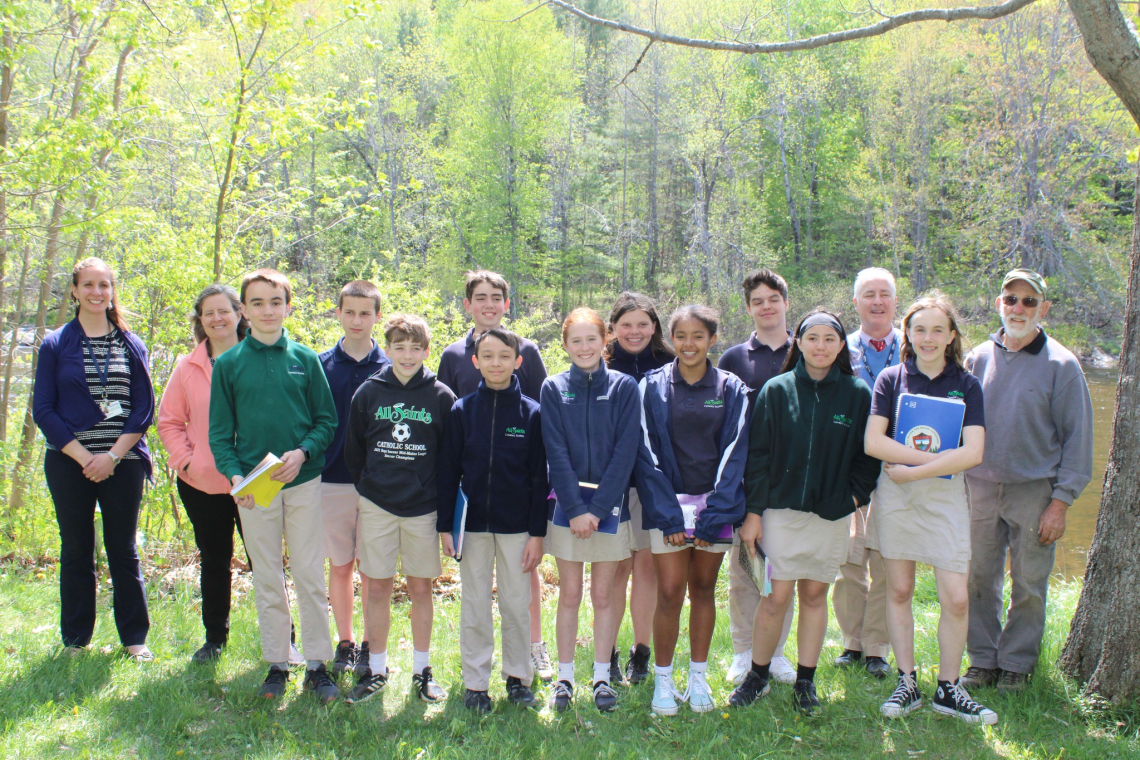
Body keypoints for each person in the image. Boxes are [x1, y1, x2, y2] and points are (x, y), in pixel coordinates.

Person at [729, 310, 880, 715]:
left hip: (831, 515)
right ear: (798, 342)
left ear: (841, 345)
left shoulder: (857, 393)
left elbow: (868, 462)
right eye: (812, 338)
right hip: (779, 512)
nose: (820, 346)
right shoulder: (776, 390)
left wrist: (849, 502)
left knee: (815, 594)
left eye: (830, 339)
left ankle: (805, 682)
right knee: (775, 596)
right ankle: (757, 675)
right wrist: (754, 513)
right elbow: (757, 457)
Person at [864, 293, 997, 725]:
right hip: (898, 496)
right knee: (899, 591)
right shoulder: (890, 379)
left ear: (952, 335)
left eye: (938, 329)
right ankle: (907, 681)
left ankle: (948, 687)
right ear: (908, 334)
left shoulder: (967, 384)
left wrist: (916, 467)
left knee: (956, 599)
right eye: (919, 329)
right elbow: (873, 443)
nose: (928, 337)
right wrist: (932, 462)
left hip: (942, 498)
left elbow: (973, 452)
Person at [208, 268, 340, 703]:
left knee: (307, 572)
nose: (268, 310)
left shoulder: (305, 359)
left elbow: (326, 421)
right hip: (253, 489)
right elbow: (220, 435)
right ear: (244, 310)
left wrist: (303, 451)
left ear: (288, 307)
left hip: (302, 481)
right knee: (267, 575)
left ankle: (318, 665)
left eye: (276, 302)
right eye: (258, 303)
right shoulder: (228, 364)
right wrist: (234, 479)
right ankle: (278, 663)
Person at [961, 269, 1093, 693]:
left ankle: (1017, 664)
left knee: (1029, 584)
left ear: (1044, 309)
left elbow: (1078, 441)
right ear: (999, 304)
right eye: (1011, 299)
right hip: (978, 486)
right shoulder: (977, 357)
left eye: (1029, 301)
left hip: (1035, 491)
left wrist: (1061, 502)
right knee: (978, 578)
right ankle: (982, 660)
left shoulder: (1062, 364)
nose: (1018, 308)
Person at [33, 257, 155, 662]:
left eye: (104, 285)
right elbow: (43, 410)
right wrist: (86, 457)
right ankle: (76, 641)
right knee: (76, 548)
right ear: (74, 290)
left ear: (112, 291)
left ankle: (134, 639)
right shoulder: (55, 344)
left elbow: (143, 408)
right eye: (88, 284)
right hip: (69, 462)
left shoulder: (131, 344)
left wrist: (113, 456)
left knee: (123, 548)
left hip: (123, 463)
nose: (96, 292)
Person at [436, 270, 553, 681]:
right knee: (474, 605)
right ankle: (475, 681)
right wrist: (444, 524)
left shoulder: (532, 414)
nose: (496, 363)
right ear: (475, 361)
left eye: (505, 357)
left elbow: (540, 473)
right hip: (473, 521)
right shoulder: (460, 408)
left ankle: (519, 676)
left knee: (516, 603)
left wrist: (537, 530)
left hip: (517, 521)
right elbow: (448, 466)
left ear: (517, 361)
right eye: (488, 357)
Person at [635, 305, 749, 717]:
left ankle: (697, 677)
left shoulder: (731, 389)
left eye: (698, 336)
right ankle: (663, 680)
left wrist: (714, 515)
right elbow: (644, 453)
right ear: (671, 339)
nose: (689, 344)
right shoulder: (651, 386)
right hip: (667, 509)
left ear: (712, 339)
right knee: (668, 592)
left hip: (713, 510)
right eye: (681, 336)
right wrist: (667, 514)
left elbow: (736, 453)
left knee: (702, 589)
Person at [343, 313, 455, 704]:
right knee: (377, 586)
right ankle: (375, 669)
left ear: (427, 351)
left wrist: (439, 507)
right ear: (386, 349)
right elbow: (353, 451)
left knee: (421, 587)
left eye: (415, 348)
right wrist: (372, 487)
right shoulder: (370, 393)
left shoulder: (441, 396)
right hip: (378, 505)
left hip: (422, 508)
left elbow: (449, 459)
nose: (407, 355)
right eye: (399, 347)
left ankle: (422, 670)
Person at [541, 308, 642, 713]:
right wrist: (576, 508)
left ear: (606, 341)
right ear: (565, 345)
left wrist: (598, 509)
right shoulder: (553, 387)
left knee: (603, 595)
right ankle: (564, 679)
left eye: (591, 339)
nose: (584, 348)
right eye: (575, 341)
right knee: (569, 595)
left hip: (609, 510)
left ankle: (601, 676)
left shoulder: (623, 387)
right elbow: (555, 452)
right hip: (567, 507)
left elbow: (625, 452)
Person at [158, 284, 252, 663]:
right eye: (208, 313)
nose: (216, 319)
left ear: (239, 313)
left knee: (264, 561)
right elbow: (169, 422)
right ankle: (215, 639)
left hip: (253, 481)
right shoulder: (188, 366)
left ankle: (285, 638)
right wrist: (187, 461)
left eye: (223, 311)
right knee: (215, 559)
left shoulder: (258, 359)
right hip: (202, 483)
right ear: (200, 320)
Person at [716, 269, 797, 687]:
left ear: (786, 302)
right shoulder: (733, 359)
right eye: (757, 301)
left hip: (790, 481)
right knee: (746, 570)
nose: (766, 307)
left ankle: (777, 652)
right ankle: (744, 651)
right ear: (748, 308)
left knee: (782, 570)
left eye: (773, 299)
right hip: (745, 482)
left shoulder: (805, 350)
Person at [318, 280, 389, 678]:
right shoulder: (321, 364)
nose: (357, 320)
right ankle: (344, 642)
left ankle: (369, 643)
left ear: (377, 316)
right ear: (339, 314)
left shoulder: (391, 367)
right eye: (350, 312)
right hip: (332, 480)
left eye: (366, 312)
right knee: (341, 565)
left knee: (372, 569)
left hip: (379, 485)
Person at [832, 266, 900, 679]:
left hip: (898, 471)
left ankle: (877, 646)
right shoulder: (841, 350)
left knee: (889, 562)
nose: (877, 302)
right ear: (855, 303)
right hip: (850, 470)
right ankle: (851, 642)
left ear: (895, 302)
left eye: (885, 294)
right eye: (868, 295)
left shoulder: (916, 347)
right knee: (849, 563)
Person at [603, 292, 673, 685]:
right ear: (613, 328)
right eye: (626, 324)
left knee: (647, 567)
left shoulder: (668, 364)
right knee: (615, 569)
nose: (635, 332)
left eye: (643, 324)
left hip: (652, 483)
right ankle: (607, 652)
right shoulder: (598, 362)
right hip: (610, 483)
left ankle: (641, 652)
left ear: (654, 327)